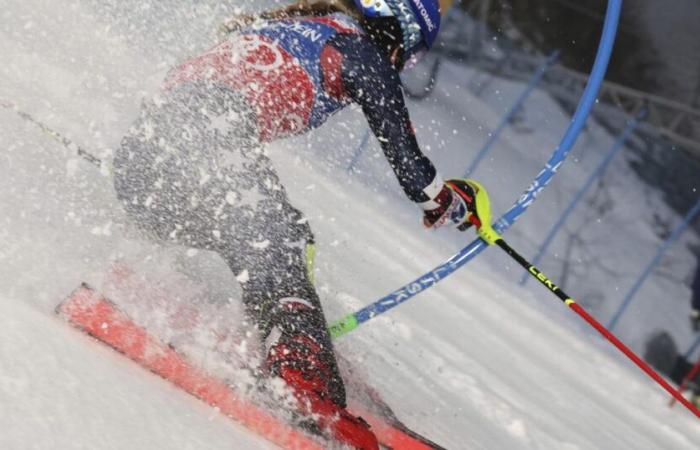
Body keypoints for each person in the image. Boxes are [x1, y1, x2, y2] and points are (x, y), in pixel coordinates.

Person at [113, 1, 482, 447]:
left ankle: (273, 327)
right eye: (408, 51)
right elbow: (411, 170)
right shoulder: (355, 47)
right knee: (278, 234)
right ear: (394, 28)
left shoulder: (280, 26)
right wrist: (448, 200)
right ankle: (300, 374)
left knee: (272, 231)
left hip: (140, 163)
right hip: (206, 138)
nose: (400, 63)